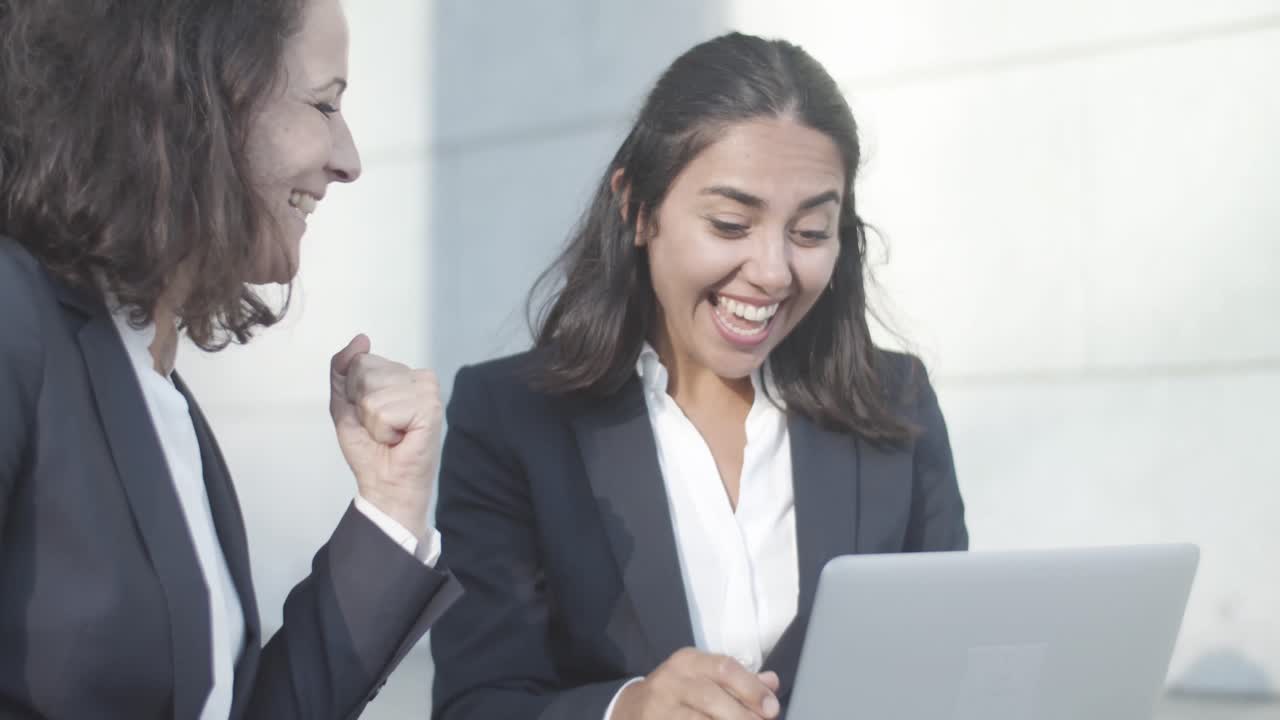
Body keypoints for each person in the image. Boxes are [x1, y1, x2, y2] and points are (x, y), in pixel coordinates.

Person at [429, 32, 968, 719]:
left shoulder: (897, 406)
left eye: (808, 233)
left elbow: (947, 663)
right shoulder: (510, 420)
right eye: (731, 222)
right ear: (637, 208)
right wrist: (627, 710)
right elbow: (477, 705)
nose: (773, 272)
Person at [0, 0, 461, 717]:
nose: (349, 160)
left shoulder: (166, 402)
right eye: (323, 104)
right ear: (195, 96)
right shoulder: (16, 319)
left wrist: (392, 506)